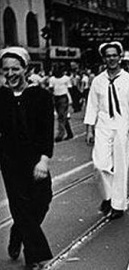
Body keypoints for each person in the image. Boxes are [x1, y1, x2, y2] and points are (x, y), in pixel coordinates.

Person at [0, 47, 54, 270]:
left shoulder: (40, 96)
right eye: (5, 70)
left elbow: (46, 130)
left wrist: (44, 160)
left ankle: (17, 232)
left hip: (35, 158)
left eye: (15, 69)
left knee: (42, 201)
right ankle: (35, 256)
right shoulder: (1, 97)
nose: (10, 73)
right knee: (20, 205)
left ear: (26, 69)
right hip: (9, 160)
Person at [84, 41, 129, 220]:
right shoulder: (98, 81)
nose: (111, 59)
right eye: (108, 56)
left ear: (120, 57)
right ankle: (108, 197)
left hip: (122, 126)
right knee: (100, 165)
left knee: (120, 165)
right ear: (104, 58)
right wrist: (89, 129)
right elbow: (92, 105)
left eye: (114, 55)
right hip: (103, 125)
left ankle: (118, 205)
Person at [48, 66, 73, 142]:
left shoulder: (66, 78)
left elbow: (70, 88)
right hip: (56, 97)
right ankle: (69, 133)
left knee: (61, 116)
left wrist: (70, 100)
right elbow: (51, 89)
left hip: (63, 97)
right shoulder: (52, 79)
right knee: (62, 116)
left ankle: (60, 134)